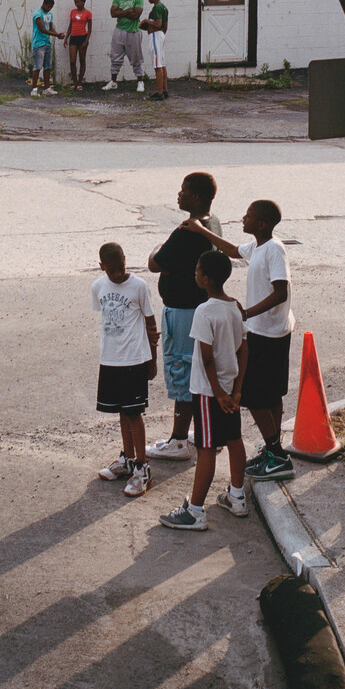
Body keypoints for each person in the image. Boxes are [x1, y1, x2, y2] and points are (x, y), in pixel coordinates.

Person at [194, 199, 296, 480]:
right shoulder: (259, 246)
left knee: (256, 397)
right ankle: (275, 450)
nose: (243, 217)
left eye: (248, 215)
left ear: (261, 224)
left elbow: (280, 292)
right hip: (268, 330)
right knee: (271, 393)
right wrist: (202, 231)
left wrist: (247, 313)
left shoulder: (274, 250)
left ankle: (276, 454)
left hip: (267, 333)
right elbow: (231, 250)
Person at [159, 248, 250, 530]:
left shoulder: (204, 311)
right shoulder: (234, 307)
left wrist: (218, 393)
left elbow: (207, 356)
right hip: (229, 388)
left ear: (207, 279)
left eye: (197, 271)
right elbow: (244, 349)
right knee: (234, 439)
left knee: (206, 447)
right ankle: (237, 496)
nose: (195, 274)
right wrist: (235, 390)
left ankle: (196, 511)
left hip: (210, 393)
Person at [144, 172, 223, 461]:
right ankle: (204, 432)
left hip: (182, 313)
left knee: (181, 371)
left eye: (183, 190)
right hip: (201, 308)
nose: (179, 194)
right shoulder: (212, 224)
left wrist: (157, 250)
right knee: (198, 372)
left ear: (196, 197)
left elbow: (155, 263)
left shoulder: (186, 231)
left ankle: (178, 440)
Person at [91, 241, 160, 499]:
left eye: (121, 268)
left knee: (134, 413)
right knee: (121, 411)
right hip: (111, 360)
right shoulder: (98, 287)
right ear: (102, 268)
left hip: (134, 360)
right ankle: (128, 459)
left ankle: (142, 467)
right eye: (112, 271)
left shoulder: (139, 287)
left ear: (125, 260)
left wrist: (152, 360)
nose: (118, 274)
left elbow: (151, 324)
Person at [103, 0, 146, 92]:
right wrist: (128, 11)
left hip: (133, 31)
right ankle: (113, 82)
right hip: (119, 30)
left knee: (136, 57)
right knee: (115, 56)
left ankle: (140, 81)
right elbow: (113, 13)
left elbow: (136, 15)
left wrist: (120, 12)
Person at [28, 0, 62, 96]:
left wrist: (57, 34)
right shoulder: (37, 14)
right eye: (49, 6)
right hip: (39, 43)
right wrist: (56, 35)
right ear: (44, 4)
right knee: (37, 66)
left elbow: (51, 28)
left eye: (51, 7)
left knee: (47, 67)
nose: (50, 8)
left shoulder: (50, 14)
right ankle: (34, 89)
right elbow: (42, 29)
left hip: (47, 43)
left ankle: (46, 88)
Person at [142, 0, 172, 100]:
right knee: (162, 63)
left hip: (155, 36)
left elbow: (158, 24)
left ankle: (159, 92)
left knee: (157, 64)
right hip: (161, 36)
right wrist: (161, 35)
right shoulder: (164, 8)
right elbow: (165, 26)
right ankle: (164, 90)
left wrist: (146, 21)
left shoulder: (157, 7)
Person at [64, 0, 93, 90]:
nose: (76, 4)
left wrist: (86, 41)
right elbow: (70, 26)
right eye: (75, 2)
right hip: (73, 38)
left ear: (83, 2)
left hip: (82, 38)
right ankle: (74, 82)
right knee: (72, 61)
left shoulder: (88, 13)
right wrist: (66, 38)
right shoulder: (73, 12)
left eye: (78, 2)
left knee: (82, 60)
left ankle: (80, 82)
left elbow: (89, 29)